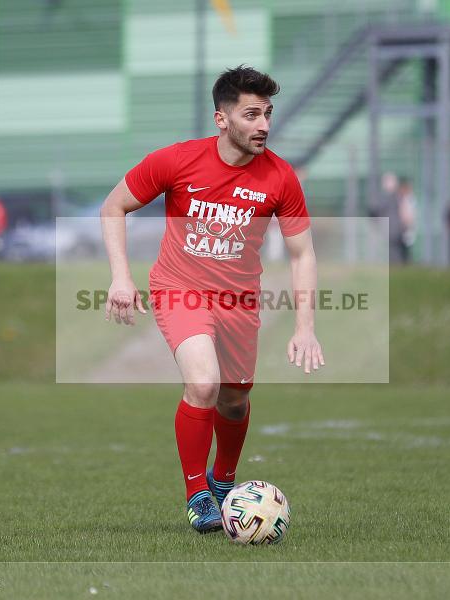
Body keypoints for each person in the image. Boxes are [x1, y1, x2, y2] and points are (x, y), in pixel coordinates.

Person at [99, 66, 324, 534]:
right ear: (222, 119)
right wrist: (121, 277)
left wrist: (305, 328)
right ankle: (197, 494)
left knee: (235, 399)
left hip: (239, 301)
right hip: (179, 289)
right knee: (204, 384)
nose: (263, 125)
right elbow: (113, 206)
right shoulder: (177, 160)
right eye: (251, 115)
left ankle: (223, 480)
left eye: (268, 114)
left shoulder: (281, 177)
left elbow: (302, 254)